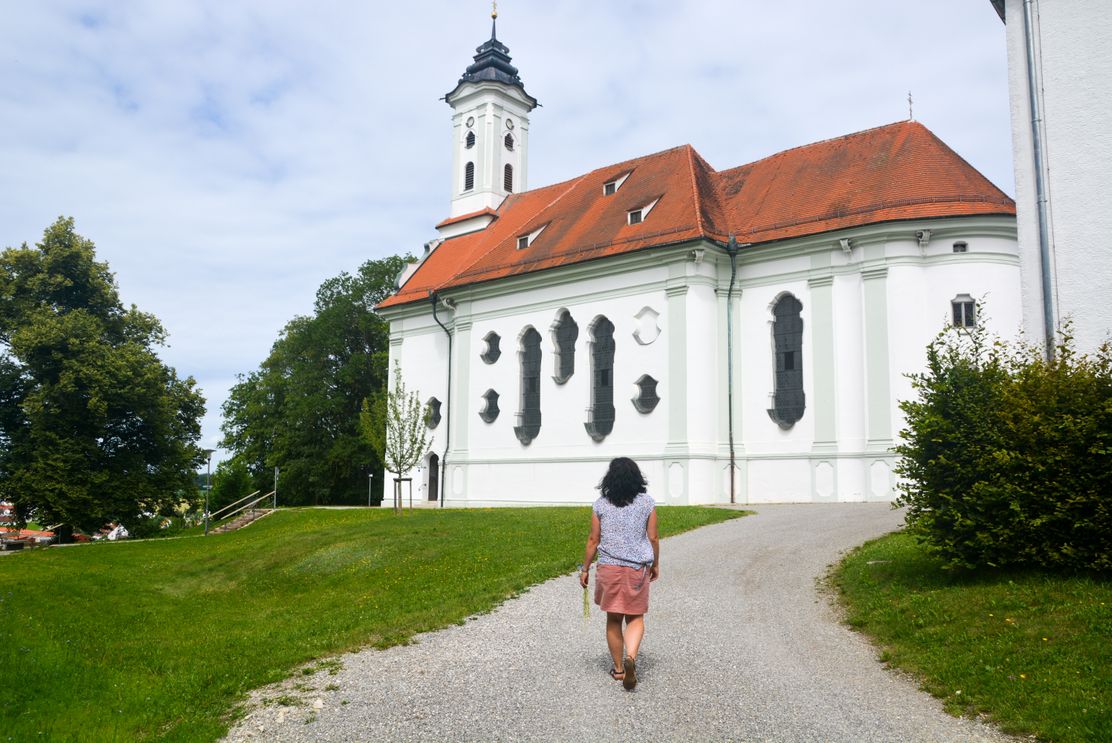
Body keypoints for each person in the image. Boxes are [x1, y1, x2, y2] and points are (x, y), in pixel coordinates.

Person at [579, 457, 659, 690]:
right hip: (637, 569)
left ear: (610, 478)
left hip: (609, 568)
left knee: (614, 619)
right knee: (635, 617)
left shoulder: (600, 505)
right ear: (637, 478)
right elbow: (653, 537)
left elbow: (593, 540)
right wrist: (655, 564)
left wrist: (585, 568)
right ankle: (631, 657)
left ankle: (618, 669)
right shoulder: (647, 503)